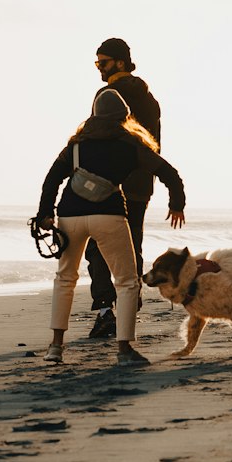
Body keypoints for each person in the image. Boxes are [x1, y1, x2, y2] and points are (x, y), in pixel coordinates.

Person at [35, 90, 186, 367]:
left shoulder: (76, 146)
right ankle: (124, 350)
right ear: (123, 116)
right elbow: (168, 173)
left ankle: (55, 347)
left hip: (71, 216)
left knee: (65, 279)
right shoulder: (130, 145)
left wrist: (45, 213)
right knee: (126, 281)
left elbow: (52, 179)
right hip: (109, 215)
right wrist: (177, 203)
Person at [85, 37, 162, 339]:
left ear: (119, 62)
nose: (99, 69)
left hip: (110, 184)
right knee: (132, 248)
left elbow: (96, 139)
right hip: (141, 184)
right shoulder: (150, 99)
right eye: (97, 63)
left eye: (102, 63)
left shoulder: (108, 95)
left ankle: (106, 312)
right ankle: (130, 308)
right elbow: (154, 145)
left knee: (98, 248)